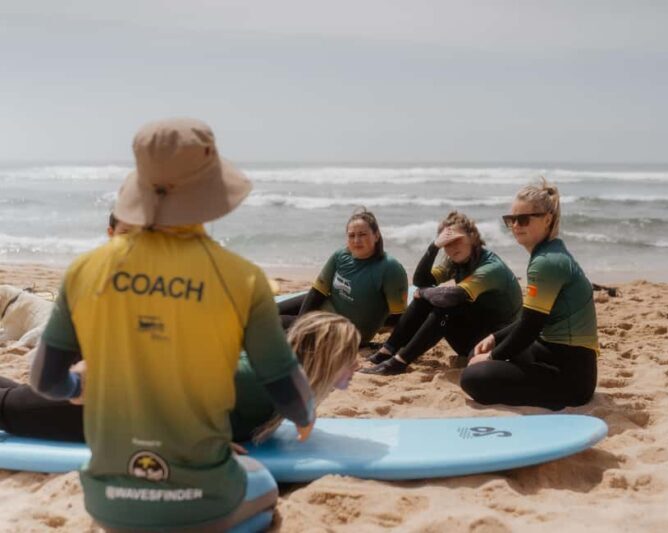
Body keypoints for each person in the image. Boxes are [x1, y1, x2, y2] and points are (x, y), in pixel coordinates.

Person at [28, 118, 315, 532]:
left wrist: (77, 387)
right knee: (266, 489)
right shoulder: (242, 277)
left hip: (108, 506)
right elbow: (285, 386)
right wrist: (305, 416)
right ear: (210, 189)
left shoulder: (84, 270)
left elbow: (43, 379)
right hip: (202, 504)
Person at [1, 311, 359, 445]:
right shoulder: (256, 379)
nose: (357, 366)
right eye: (350, 357)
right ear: (325, 360)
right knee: (9, 410)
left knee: (15, 396)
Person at [460, 179, 599, 409]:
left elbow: (530, 327)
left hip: (571, 379)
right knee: (477, 352)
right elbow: (530, 320)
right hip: (559, 356)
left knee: (472, 377)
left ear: (547, 219)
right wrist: (495, 338)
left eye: (523, 219)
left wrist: (493, 358)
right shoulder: (550, 252)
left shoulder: (546, 262)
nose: (515, 225)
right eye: (511, 220)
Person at [362, 211, 522, 376]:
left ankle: (399, 361)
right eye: (447, 242)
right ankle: (387, 351)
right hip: (475, 334)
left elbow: (450, 296)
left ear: (473, 237)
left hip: (495, 345)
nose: (452, 247)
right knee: (427, 300)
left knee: (446, 306)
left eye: (457, 240)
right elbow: (421, 280)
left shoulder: (490, 268)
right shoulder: (456, 262)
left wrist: (423, 292)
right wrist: (434, 246)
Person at [279, 208, 408, 345]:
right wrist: (301, 324)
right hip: (326, 307)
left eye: (362, 234)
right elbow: (318, 292)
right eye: (351, 235)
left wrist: (373, 329)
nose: (356, 240)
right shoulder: (341, 256)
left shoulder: (390, 268)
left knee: (272, 323)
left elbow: (398, 316)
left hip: (343, 331)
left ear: (376, 235)